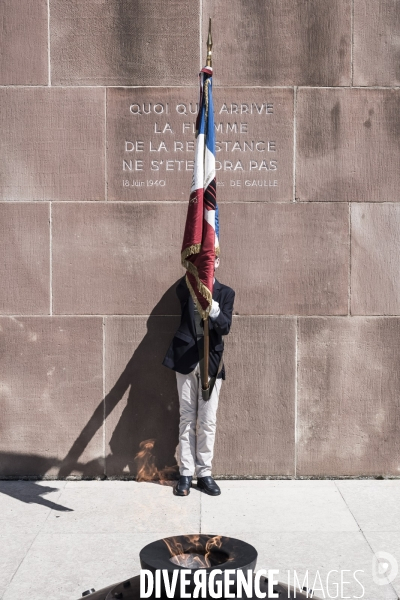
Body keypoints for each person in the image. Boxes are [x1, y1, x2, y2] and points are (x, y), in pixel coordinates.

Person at [162, 257, 235, 496]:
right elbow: (180, 291)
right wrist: (195, 273)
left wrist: (214, 309)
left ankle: (204, 473)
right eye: (205, 258)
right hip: (185, 361)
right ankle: (186, 473)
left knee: (207, 421)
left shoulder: (226, 293)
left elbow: (224, 327)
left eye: (212, 259)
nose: (208, 262)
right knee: (187, 418)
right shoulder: (187, 287)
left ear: (218, 262)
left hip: (211, 364)